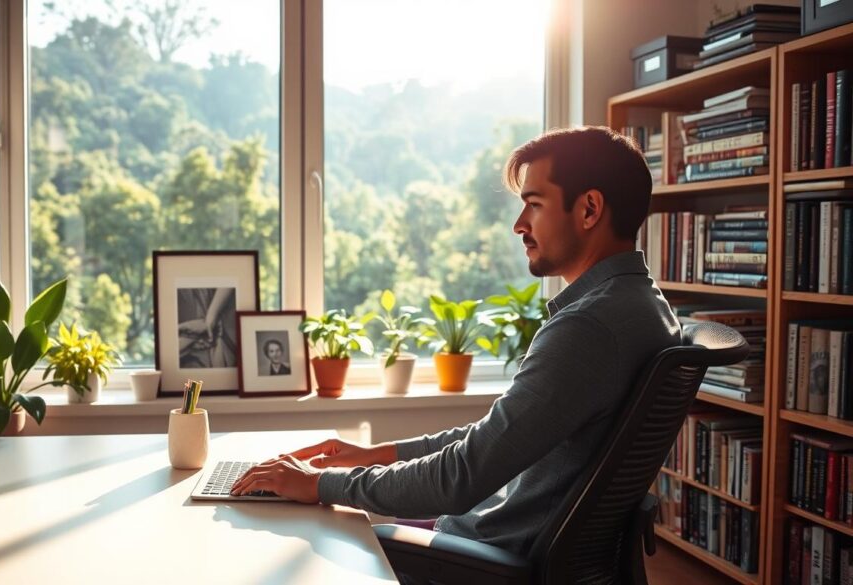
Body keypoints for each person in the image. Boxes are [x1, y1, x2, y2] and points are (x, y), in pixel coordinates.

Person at [231, 126, 682, 560]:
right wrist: (375, 455)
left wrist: (319, 485)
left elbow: (462, 477)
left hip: (482, 560)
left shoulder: (588, 329)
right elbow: (494, 438)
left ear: (588, 210)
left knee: (292, 543)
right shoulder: (644, 306)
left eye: (534, 204)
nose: (519, 225)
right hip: (495, 544)